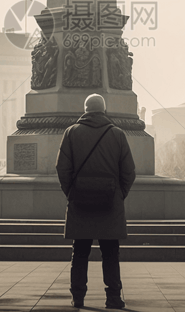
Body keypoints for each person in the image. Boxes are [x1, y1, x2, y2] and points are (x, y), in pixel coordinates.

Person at [56, 93, 135, 309]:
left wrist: (72, 192)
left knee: (79, 253)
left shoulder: (71, 133)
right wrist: (118, 195)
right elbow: (129, 171)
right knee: (110, 254)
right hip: (110, 205)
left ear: (85, 110)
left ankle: (78, 297)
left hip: (80, 203)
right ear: (104, 110)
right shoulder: (117, 134)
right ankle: (113, 298)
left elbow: (62, 168)